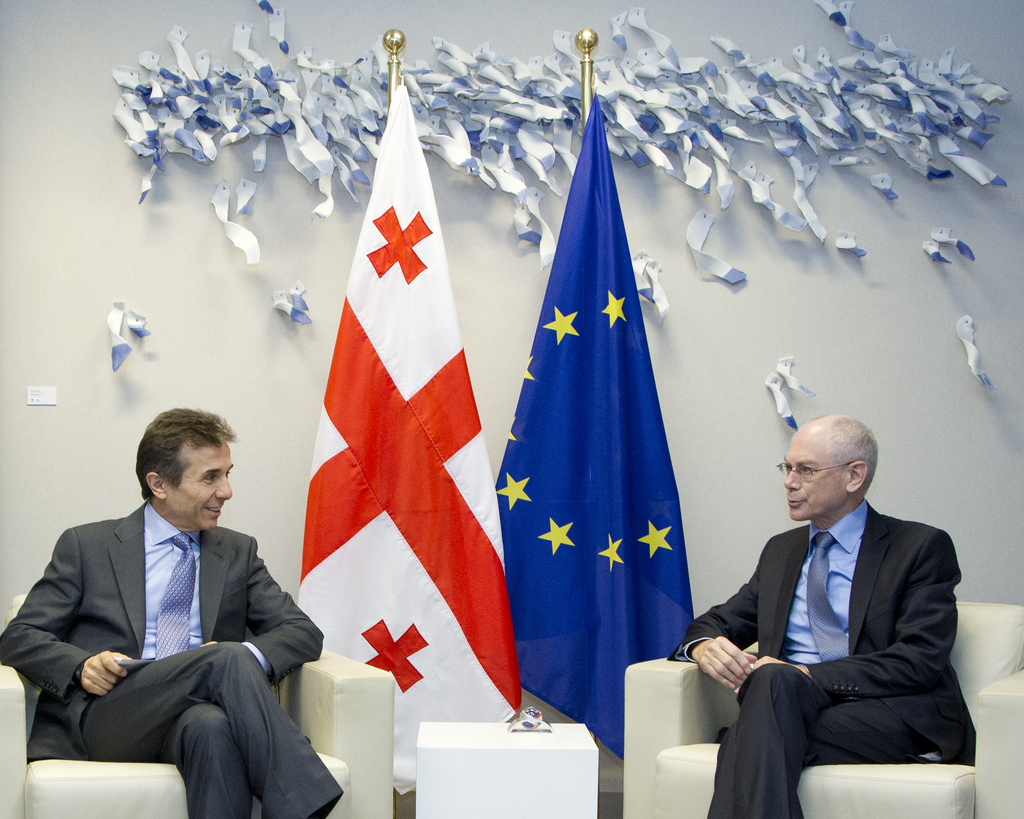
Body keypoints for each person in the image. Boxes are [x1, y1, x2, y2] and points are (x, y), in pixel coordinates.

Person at [0, 408, 343, 819]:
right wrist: (81, 665)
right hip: (111, 713)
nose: (227, 491)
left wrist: (237, 661)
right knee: (225, 658)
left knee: (212, 725)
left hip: (190, 719)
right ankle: (304, 805)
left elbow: (302, 632)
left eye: (228, 474)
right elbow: (19, 637)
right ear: (159, 484)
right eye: (210, 477)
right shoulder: (87, 546)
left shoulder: (237, 552)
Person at [671, 414, 974, 819]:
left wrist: (806, 674)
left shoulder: (919, 547)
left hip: (887, 710)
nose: (789, 482)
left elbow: (918, 660)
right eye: (786, 467)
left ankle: (757, 721)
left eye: (806, 470)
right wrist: (704, 647)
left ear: (854, 476)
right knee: (772, 691)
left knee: (756, 726)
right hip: (787, 702)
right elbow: (717, 622)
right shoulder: (781, 551)